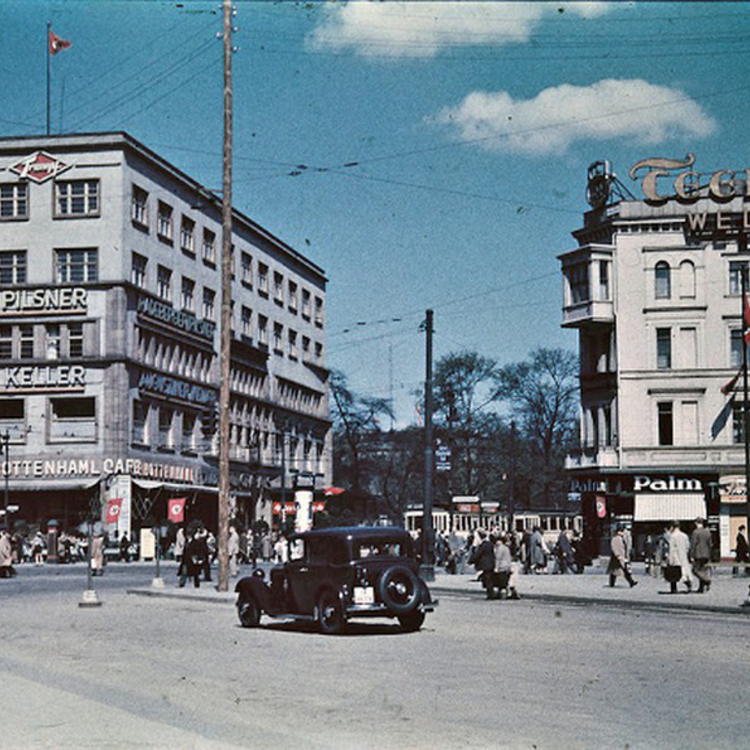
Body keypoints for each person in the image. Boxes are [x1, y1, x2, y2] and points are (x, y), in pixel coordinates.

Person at [666, 521, 692, 594]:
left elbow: (671, 548)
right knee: (684, 571)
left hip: (676, 557)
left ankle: (673, 588)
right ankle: (688, 583)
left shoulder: (673, 536)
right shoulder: (684, 535)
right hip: (683, 555)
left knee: (674, 573)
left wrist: (670, 559)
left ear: (672, 527)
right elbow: (688, 546)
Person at [469, 529, 495, 598]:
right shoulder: (490, 544)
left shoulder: (483, 545)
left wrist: (470, 561)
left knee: (487, 579)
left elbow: (478, 554)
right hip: (491, 563)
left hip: (485, 565)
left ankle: (490, 594)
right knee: (488, 578)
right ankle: (491, 593)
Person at [689, 517, 713, 594]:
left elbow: (693, 544)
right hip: (706, 554)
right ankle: (701, 587)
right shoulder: (707, 532)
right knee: (703, 570)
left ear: (696, 523)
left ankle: (706, 580)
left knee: (695, 570)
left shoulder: (695, 532)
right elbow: (710, 544)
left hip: (698, 553)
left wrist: (691, 555)